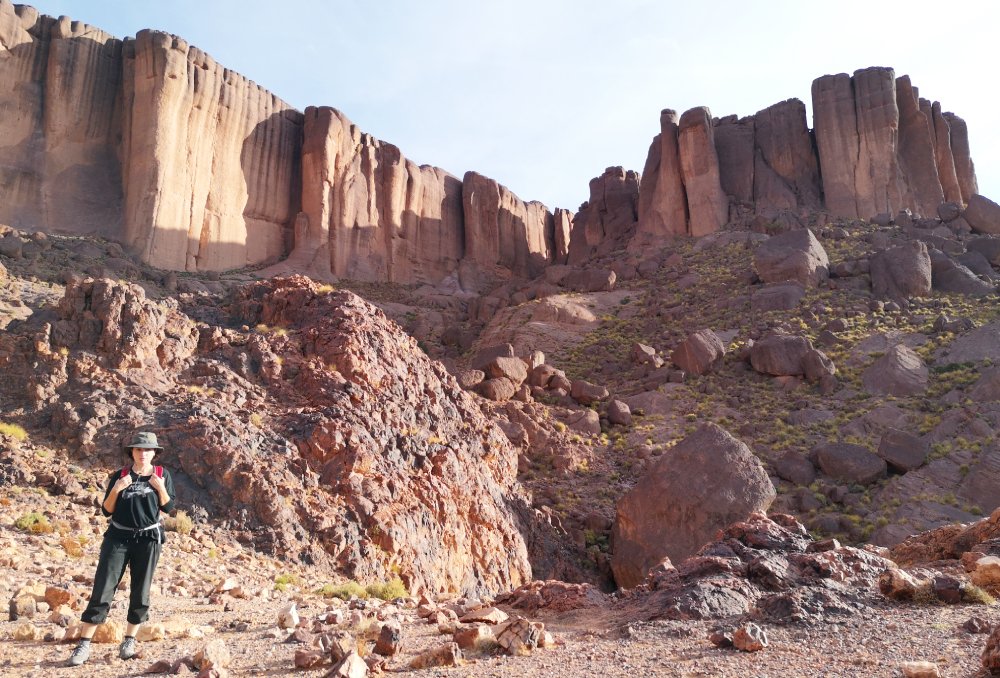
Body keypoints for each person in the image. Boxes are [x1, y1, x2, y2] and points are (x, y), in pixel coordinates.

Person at [67, 431, 176, 666]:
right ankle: (84, 645)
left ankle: (129, 641)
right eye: (139, 449)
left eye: (148, 449)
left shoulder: (161, 475)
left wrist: (160, 488)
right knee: (104, 586)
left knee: (141, 590)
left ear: (154, 453)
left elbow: (169, 508)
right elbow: (106, 510)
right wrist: (117, 488)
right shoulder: (121, 475)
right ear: (132, 452)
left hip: (148, 539)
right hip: (118, 537)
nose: (143, 453)